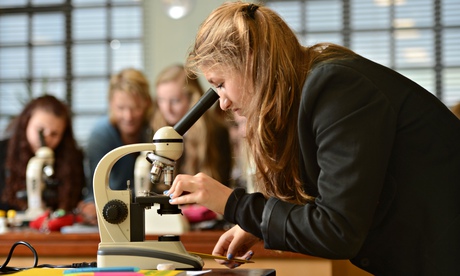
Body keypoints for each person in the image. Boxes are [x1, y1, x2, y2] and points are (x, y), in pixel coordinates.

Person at [164, 2, 460, 275]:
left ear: (250, 61)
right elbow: (325, 199)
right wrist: (256, 224)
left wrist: (233, 204)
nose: (223, 103)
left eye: (221, 84)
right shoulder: (311, 89)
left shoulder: (336, 87)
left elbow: (336, 231)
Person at [152, 64, 233, 227]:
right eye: (161, 100)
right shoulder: (155, 131)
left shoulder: (216, 132)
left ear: (193, 99)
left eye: (175, 101)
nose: (167, 109)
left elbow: (221, 185)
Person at [80, 68, 153, 225]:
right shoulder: (100, 135)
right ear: (111, 104)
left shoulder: (155, 130)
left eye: (135, 108)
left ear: (147, 102)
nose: (128, 116)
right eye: (121, 108)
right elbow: (95, 188)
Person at [0, 95, 85, 214]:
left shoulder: (73, 159)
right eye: (40, 130)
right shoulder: (3, 151)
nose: (46, 139)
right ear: (26, 123)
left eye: (54, 134)